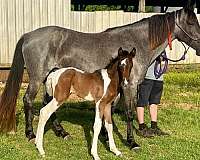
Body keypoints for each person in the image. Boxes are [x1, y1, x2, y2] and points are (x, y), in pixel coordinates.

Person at [136, 51, 169, 137]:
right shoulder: (149, 44)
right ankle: (141, 127)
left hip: (159, 78)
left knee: (154, 102)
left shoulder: (162, 47)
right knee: (142, 102)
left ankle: (154, 127)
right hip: (147, 77)